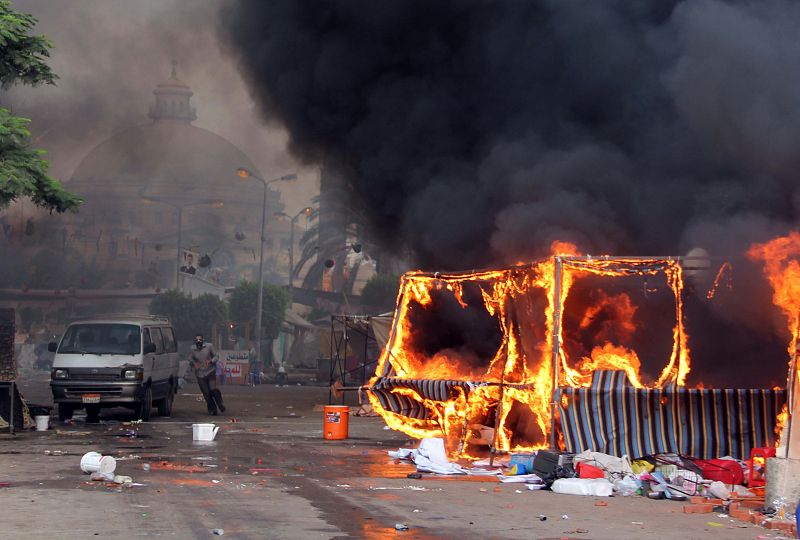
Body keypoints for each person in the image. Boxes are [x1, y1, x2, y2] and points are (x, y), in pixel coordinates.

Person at [188, 334, 225, 415]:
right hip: (200, 373)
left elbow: (216, 355)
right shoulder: (192, 349)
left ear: (203, 340)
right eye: (197, 340)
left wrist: (211, 361)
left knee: (213, 389)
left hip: (210, 371)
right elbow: (190, 358)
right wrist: (194, 363)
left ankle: (220, 403)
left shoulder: (209, 346)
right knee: (206, 393)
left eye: (200, 340)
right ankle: (212, 409)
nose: (198, 342)